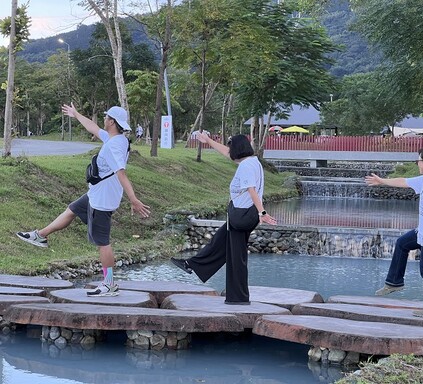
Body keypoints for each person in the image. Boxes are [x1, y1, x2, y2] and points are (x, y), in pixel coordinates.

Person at [16, 103, 151, 297]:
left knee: (102, 242)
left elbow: (121, 173)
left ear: (112, 122)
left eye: (106, 117)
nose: (103, 120)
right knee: (71, 210)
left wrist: (134, 199)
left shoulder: (114, 146)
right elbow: (93, 128)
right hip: (96, 193)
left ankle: (109, 283)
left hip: (102, 200)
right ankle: (41, 235)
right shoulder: (118, 139)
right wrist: (76, 114)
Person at [171, 133, 277, 305]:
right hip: (243, 214)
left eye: (232, 147)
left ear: (238, 149)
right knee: (219, 242)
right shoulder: (251, 161)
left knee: (236, 256)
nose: (230, 151)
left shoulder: (246, 167)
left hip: (242, 215)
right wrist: (208, 141)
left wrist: (262, 213)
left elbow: (251, 190)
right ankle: (192, 265)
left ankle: (239, 298)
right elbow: (227, 153)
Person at [364, 146, 423, 318]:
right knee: (402, 243)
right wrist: (381, 181)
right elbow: (404, 181)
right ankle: (394, 282)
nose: (417, 163)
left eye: (419, 160)